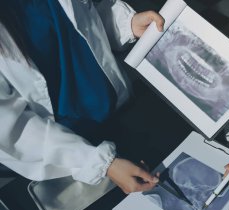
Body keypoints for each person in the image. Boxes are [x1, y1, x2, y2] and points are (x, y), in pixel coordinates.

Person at [0, 0, 166, 193]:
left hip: (123, 115)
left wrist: (125, 25)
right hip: (69, 161)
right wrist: (98, 162)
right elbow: (12, 131)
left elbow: (79, 24)